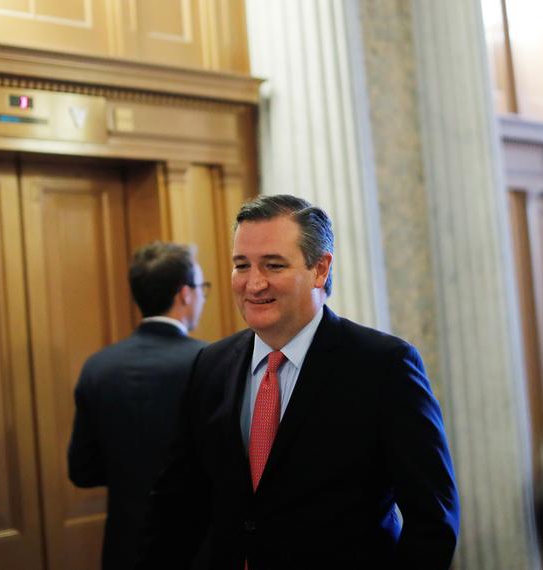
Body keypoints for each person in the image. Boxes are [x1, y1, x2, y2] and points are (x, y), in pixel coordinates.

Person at [138, 194, 460, 570]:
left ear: (320, 269)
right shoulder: (211, 365)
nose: (254, 284)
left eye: (273, 265)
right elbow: (177, 503)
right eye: (242, 265)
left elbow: (433, 520)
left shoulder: (384, 366)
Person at [68, 241, 209, 570]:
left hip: (124, 548)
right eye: (202, 287)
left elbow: (82, 470)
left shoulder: (98, 367)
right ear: (185, 293)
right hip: (196, 545)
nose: (202, 296)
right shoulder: (209, 362)